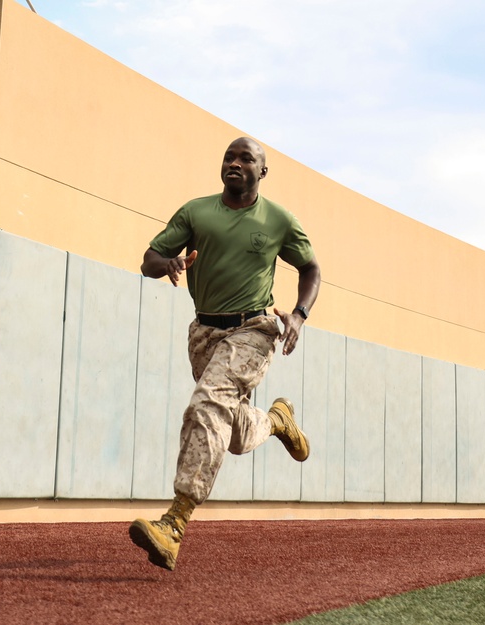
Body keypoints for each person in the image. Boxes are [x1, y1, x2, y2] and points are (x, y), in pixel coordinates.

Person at [128, 137, 322, 571]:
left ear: (262, 172)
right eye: (229, 157)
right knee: (230, 432)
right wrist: (169, 265)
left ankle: (174, 524)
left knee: (207, 405)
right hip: (204, 332)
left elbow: (311, 268)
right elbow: (150, 258)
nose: (235, 163)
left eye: (246, 158)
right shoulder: (196, 211)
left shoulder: (278, 220)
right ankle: (275, 421)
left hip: (254, 329)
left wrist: (299, 315)